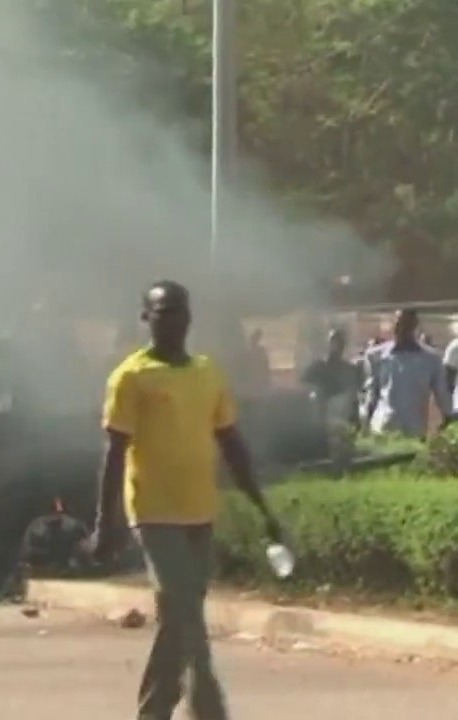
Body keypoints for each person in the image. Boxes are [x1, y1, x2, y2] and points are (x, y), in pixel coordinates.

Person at [90, 280, 282, 720]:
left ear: (190, 317)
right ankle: (193, 707)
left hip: (199, 511)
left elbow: (231, 441)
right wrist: (107, 522)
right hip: (154, 512)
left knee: (183, 618)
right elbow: (114, 453)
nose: (171, 319)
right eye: (161, 312)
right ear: (146, 318)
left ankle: (174, 709)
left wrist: (262, 506)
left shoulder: (207, 372)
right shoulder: (130, 377)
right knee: (181, 610)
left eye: (178, 311)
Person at [361, 308, 451, 439]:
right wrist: (364, 425)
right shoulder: (376, 356)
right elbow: (371, 394)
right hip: (383, 429)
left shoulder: (432, 360)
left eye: (407, 325)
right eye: (399, 324)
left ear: (414, 327)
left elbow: (442, 395)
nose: (402, 330)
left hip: (414, 431)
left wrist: (449, 421)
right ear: (394, 326)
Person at [300, 327, 361, 430]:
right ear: (328, 344)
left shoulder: (349, 370)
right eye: (333, 342)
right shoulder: (317, 367)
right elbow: (304, 388)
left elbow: (353, 399)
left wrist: (356, 422)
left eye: (339, 343)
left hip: (341, 419)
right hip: (320, 417)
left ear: (343, 346)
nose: (336, 346)